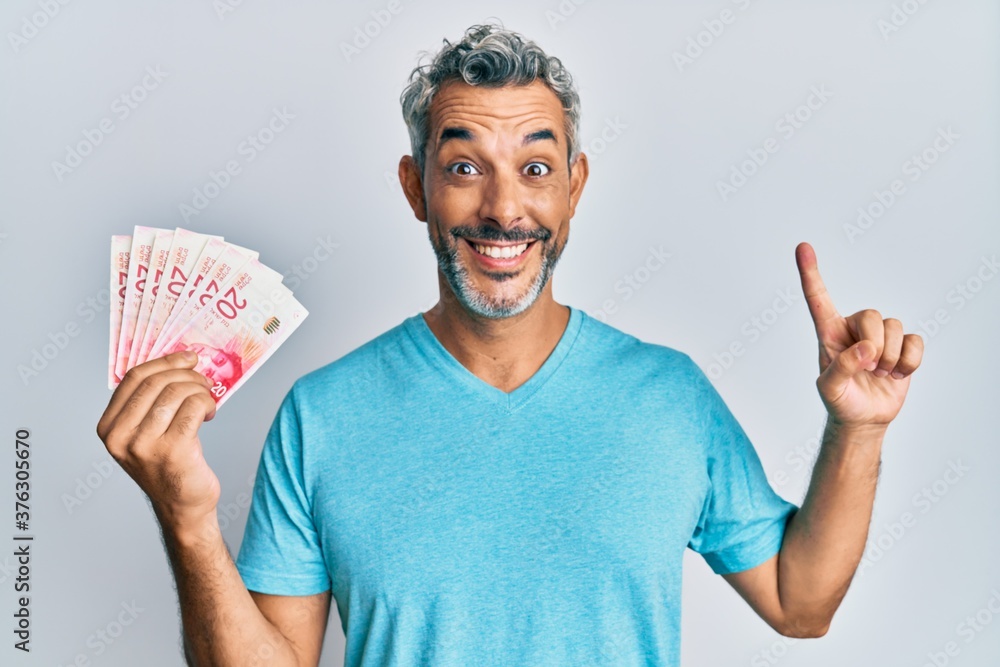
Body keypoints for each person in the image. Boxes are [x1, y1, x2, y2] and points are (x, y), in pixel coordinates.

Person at [96, 22, 924, 667]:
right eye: (464, 168)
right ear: (415, 187)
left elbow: (800, 602)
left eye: (535, 168)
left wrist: (858, 428)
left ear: (574, 187)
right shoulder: (320, 415)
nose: (502, 208)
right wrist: (188, 520)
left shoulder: (670, 397)